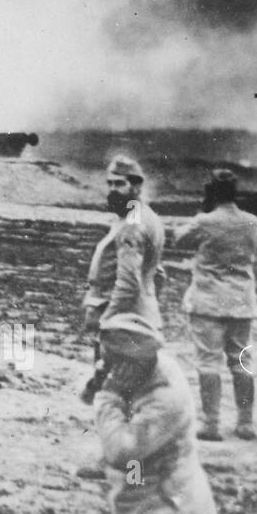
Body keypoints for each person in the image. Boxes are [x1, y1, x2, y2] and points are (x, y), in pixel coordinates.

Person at [94, 313, 221, 514]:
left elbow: (120, 451)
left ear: (131, 364)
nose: (110, 370)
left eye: (114, 363)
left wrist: (108, 396)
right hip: (143, 493)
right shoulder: (146, 365)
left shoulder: (165, 398)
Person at [173, 169, 257, 441]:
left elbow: (179, 239)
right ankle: (245, 423)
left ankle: (210, 424)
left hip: (208, 301)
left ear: (211, 191)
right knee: (242, 363)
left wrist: (203, 211)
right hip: (241, 302)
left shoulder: (204, 221)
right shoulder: (252, 222)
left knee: (208, 362)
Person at [80, 156, 167, 404]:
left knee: (118, 391)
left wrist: (109, 319)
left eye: (119, 184)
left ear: (136, 187)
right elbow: (159, 274)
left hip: (121, 315)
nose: (112, 190)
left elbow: (128, 282)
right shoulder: (144, 216)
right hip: (139, 311)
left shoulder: (132, 225)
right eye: (109, 184)